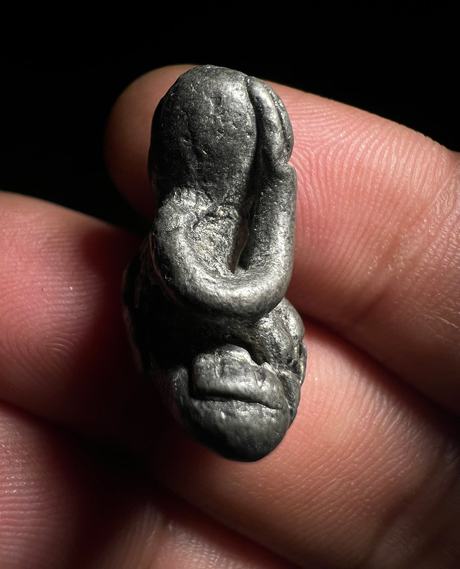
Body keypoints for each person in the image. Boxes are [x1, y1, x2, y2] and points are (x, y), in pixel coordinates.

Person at [0, 64, 458, 568]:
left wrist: (278, 180)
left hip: (243, 350)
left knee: (272, 328)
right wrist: (275, 183)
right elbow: (229, 291)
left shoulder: (243, 206)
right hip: (199, 352)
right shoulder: (179, 219)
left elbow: (262, 284)